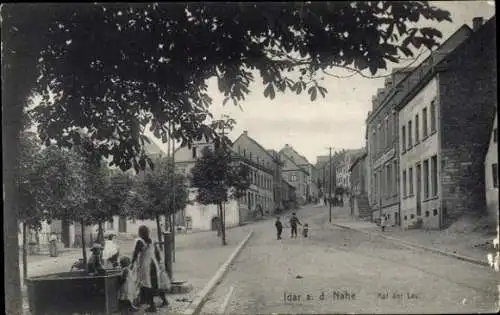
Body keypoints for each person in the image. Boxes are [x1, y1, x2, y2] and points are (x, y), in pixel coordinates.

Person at [131, 225, 165, 312]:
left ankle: (152, 306)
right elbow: (157, 254)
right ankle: (146, 302)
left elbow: (135, 253)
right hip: (153, 264)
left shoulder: (140, 241)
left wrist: (131, 264)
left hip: (146, 266)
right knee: (152, 284)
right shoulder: (152, 240)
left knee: (147, 285)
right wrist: (159, 263)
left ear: (140, 233)